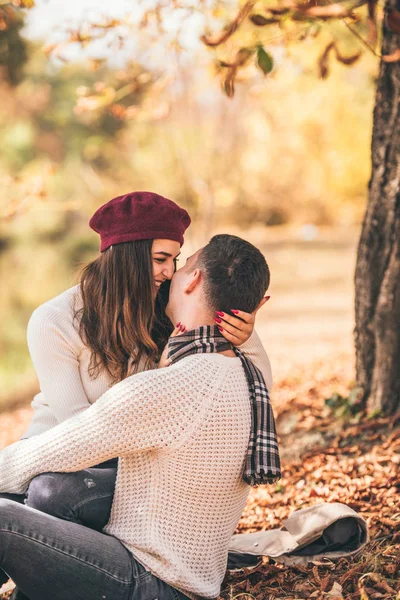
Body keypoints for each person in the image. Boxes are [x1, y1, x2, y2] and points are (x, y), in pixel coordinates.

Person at [0, 233, 280, 600]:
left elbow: (54, 449)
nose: (168, 275)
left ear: (193, 280)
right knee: (53, 492)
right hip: (191, 576)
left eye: (179, 266)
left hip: (149, 582)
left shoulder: (170, 386)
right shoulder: (245, 375)